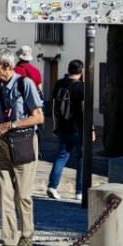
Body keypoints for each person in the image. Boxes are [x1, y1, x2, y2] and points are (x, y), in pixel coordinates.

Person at [0, 49, 45, 246]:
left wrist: (10, 125)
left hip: (24, 141)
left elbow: (38, 117)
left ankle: (27, 235)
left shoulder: (25, 84)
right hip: (2, 143)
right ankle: (9, 241)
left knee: (23, 195)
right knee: (4, 194)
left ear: (7, 67)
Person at [45, 60, 86, 200]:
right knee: (81, 159)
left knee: (61, 156)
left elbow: (54, 106)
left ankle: (52, 186)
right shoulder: (82, 87)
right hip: (79, 127)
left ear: (68, 70)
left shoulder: (59, 84)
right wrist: (90, 128)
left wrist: (55, 125)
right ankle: (80, 191)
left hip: (63, 126)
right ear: (81, 72)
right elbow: (85, 110)